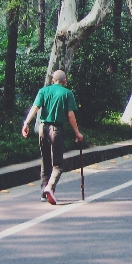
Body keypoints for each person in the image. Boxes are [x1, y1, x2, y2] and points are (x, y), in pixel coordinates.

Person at [21, 70, 83, 204]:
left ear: (52, 80)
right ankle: (50, 187)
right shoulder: (67, 93)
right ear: (65, 81)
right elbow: (70, 115)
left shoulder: (43, 91)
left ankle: (44, 192)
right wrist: (77, 133)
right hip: (56, 130)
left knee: (45, 161)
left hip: (42, 128)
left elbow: (35, 108)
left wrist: (26, 123)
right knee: (58, 165)